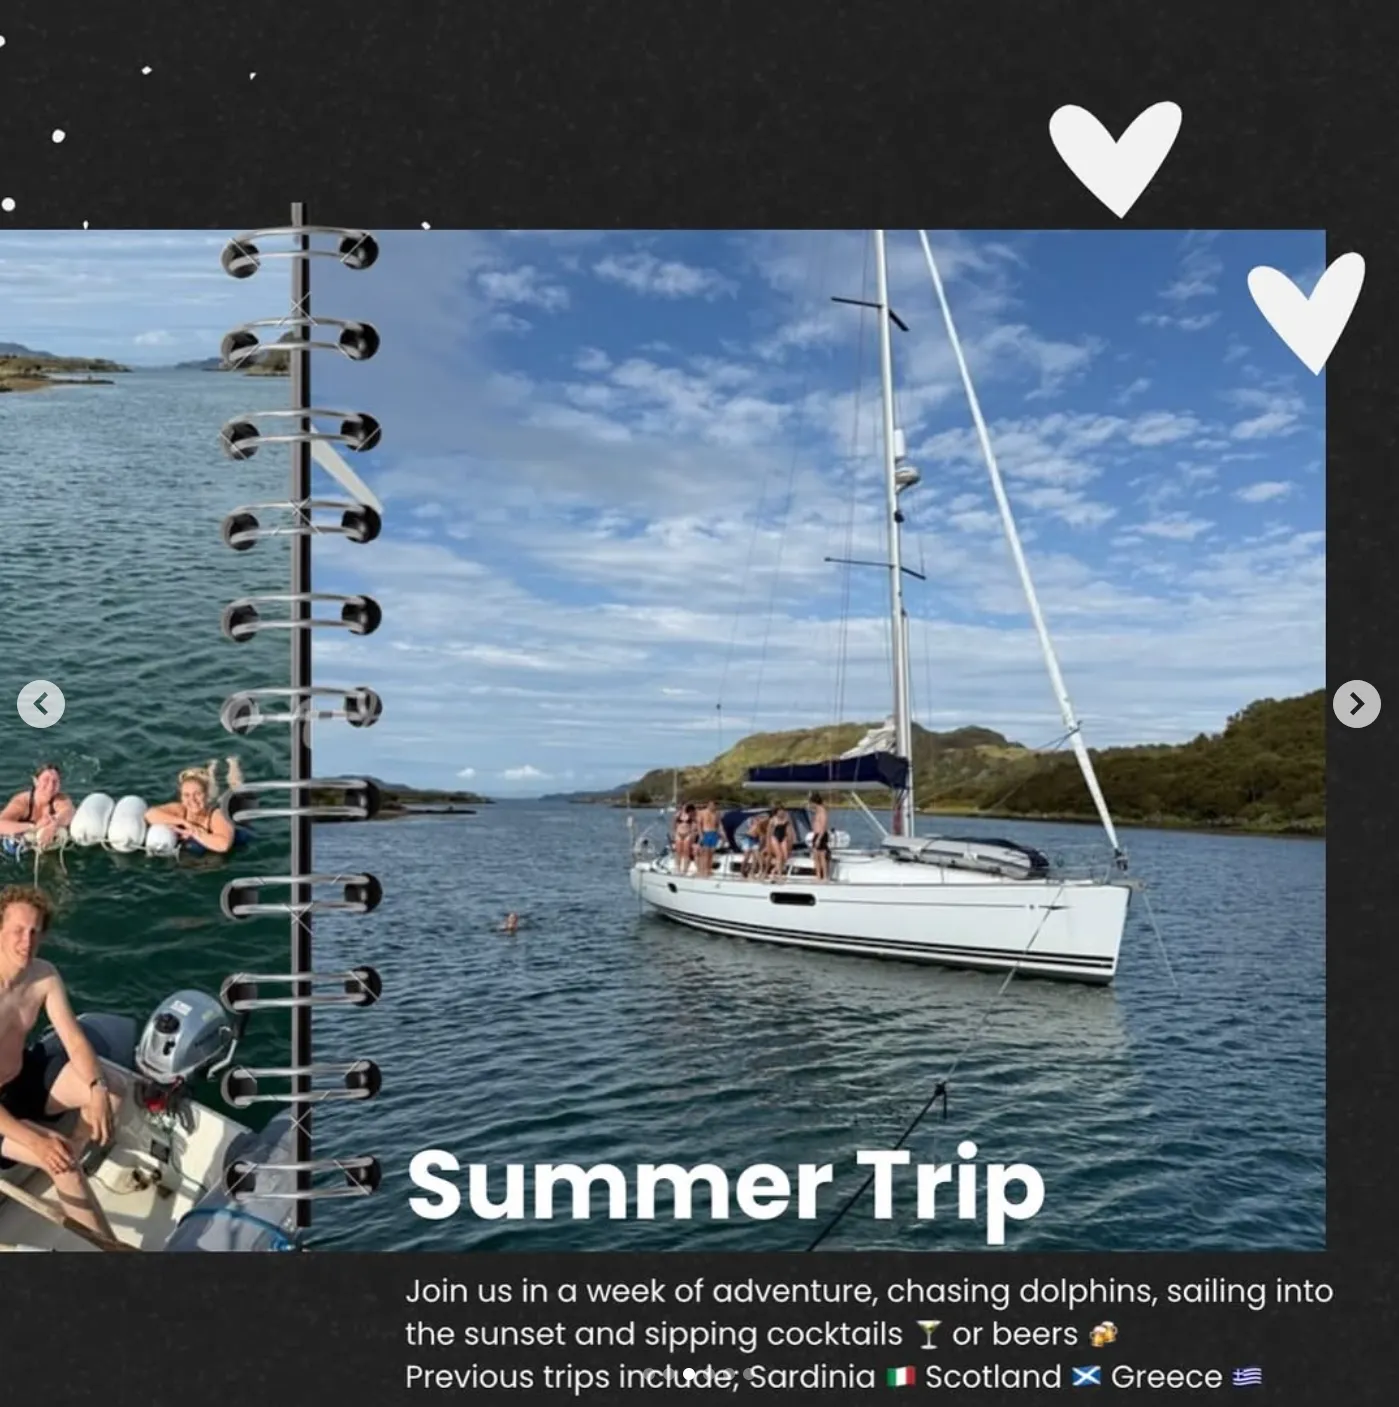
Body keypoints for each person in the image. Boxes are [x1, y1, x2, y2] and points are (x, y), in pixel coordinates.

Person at [0, 884, 122, 1244]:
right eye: (17, 931)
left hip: (21, 1078)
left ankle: (69, 1164)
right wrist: (35, 1144)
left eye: (35, 931)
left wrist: (97, 1089)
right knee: (62, 1161)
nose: (27, 941)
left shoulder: (44, 975)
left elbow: (74, 1039)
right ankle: (112, 1254)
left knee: (114, 1090)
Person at [144, 758, 243, 856]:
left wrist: (193, 832)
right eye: (186, 795)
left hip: (222, 809)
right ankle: (211, 770)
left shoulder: (217, 815)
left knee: (234, 790)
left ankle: (233, 762)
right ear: (181, 798)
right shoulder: (181, 809)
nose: (192, 800)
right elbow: (149, 814)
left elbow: (223, 845)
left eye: (198, 794)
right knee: (211, 791)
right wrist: (184, 822)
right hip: (203, 806)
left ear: (205, 795)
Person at [0, 762, 75, 852]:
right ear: (36, 781)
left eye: (55, 781)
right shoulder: (22, 802)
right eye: (46, 780)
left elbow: (69, 812)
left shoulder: (61, 799)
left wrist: (54, 825)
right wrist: (34, 827)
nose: (51, 786)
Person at [695, 799, 721, 878]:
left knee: (711, 853)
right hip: (706, 833)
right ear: (708, 805)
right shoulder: (702, 813)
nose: (713, 807)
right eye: (711, 805)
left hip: (714, 834)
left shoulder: (717, 814)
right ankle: (703, 870)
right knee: (705, 853)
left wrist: (720, 834)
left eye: (714, 805)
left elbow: (718, 825)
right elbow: (699, 824)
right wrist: (701, 835)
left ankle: (708, 869)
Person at [808, 793, 832, 881]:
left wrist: (819, 838)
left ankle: (825, 876)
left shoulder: (822, 811)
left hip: (821, 835)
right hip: (816, 834)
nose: (811, 805)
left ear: (815, 802)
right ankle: (818, 876)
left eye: (811, 803)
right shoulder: (817, 811)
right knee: (816, 856)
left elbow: (823, 826)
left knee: (822, 856)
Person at [767, 803, 793, 880]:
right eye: (780, 811)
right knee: (779, 856)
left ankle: (773, 871)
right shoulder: (773, 820)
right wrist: (768, 843)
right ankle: (779, 875)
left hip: (783, 837)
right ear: (776, 812)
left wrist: (790, 839)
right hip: (774, 837)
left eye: (783, 811)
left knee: (785, 856)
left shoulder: (786, 819)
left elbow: (788, 830)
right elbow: (768, 832)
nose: (782, 812)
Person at [741, 812, 770, 879]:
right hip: (749, 838)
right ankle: (743, 871)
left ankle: (753, 872)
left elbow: (763, 837)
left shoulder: (764, 825)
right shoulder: (759, 824)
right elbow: (762, 836)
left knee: (755, 857)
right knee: (751, 855)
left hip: (755, 839)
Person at [671, 804, 697, 876]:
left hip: (687, 834)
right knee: (678, 851)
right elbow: (673, 824)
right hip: (679, 833)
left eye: (686, 807)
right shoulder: (678, 815)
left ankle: (685, 870)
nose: (684, 808)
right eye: (683, 806)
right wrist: (673, 833)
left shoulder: (690, 815)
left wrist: (693, 834)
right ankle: (677, 868)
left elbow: (694, 824)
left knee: (686, 852)